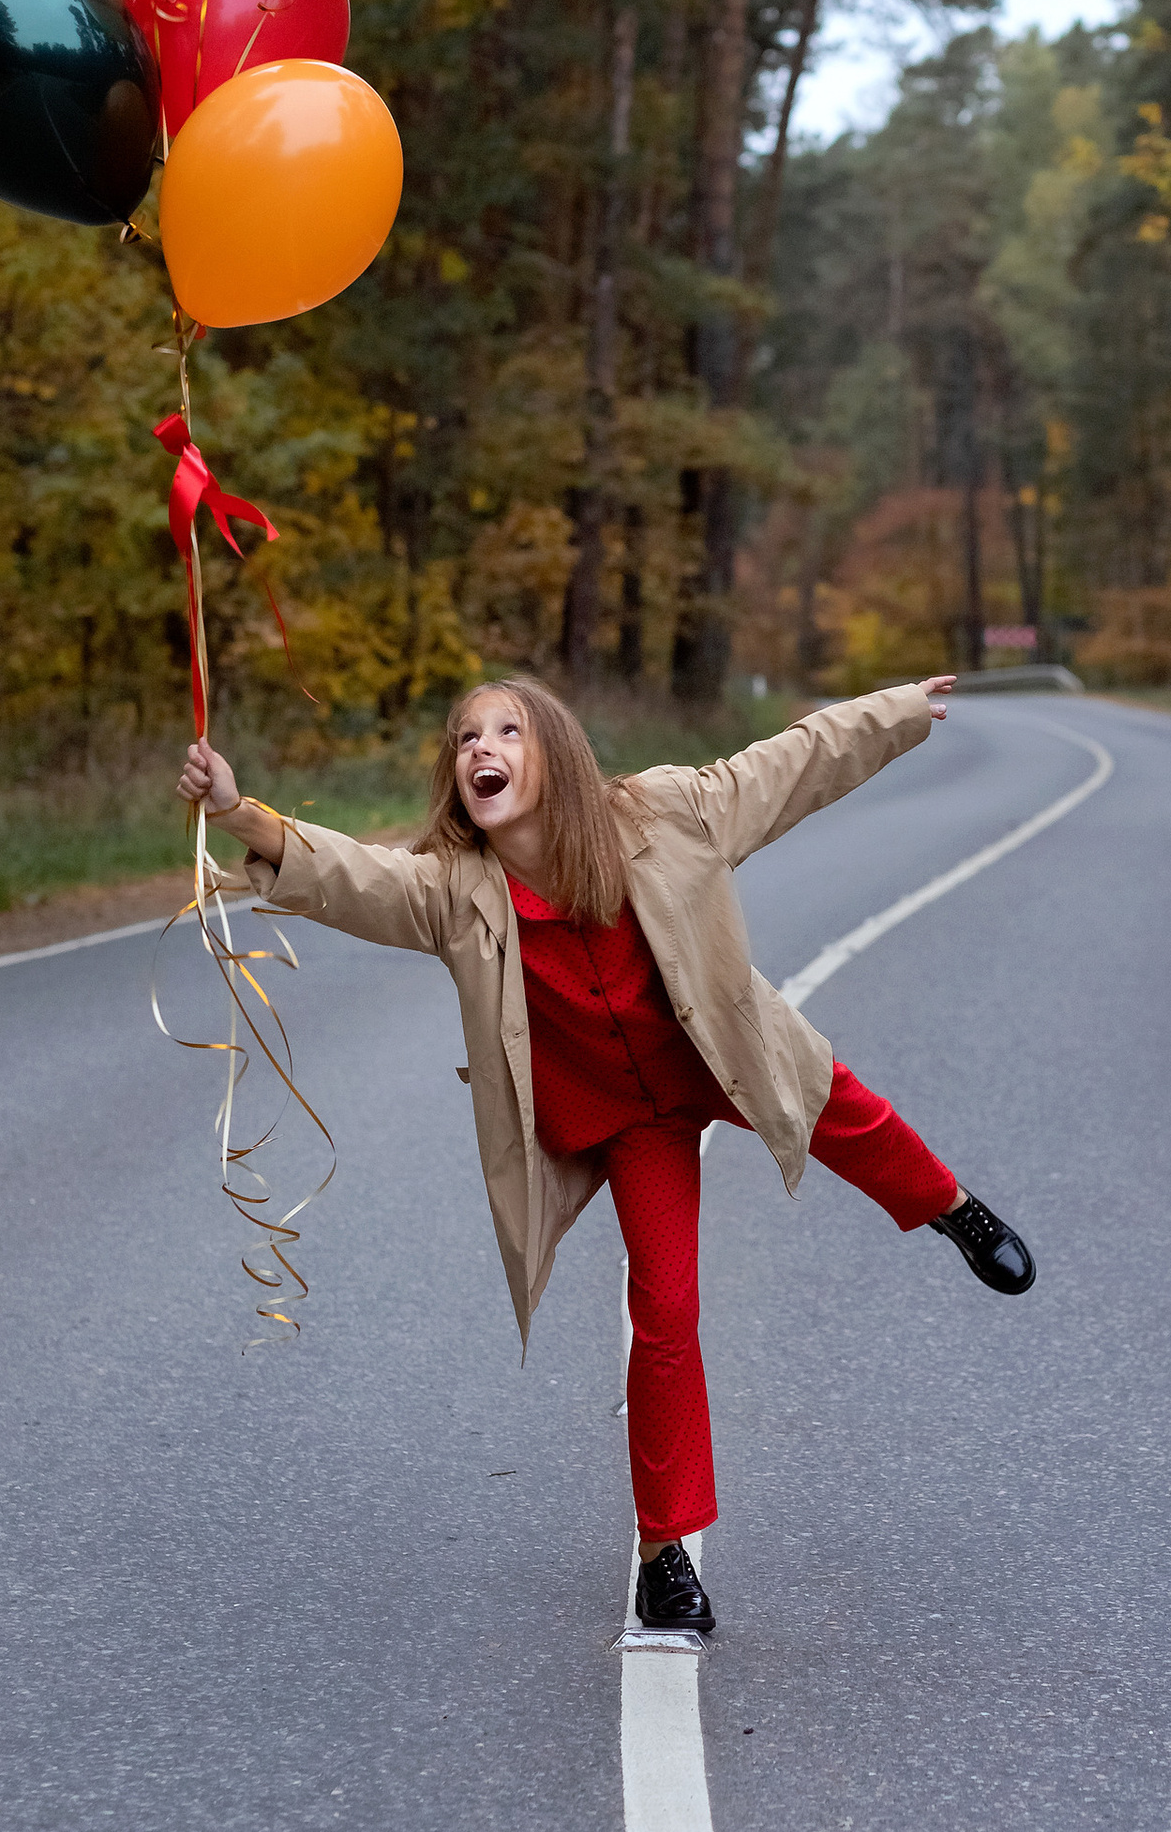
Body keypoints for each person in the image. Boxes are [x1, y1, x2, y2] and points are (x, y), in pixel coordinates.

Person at [178, 678, 1035, 1638]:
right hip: (630, 1119)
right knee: (664, 1314)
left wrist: (898, 711)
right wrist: (236, 810)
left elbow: (791, 766)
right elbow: (349, 875)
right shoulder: (454, 890)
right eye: (466, 738)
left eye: (507, 730)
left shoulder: (664, 814)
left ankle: (954, 1210)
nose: (480, 748)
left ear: (557, 753)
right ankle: (665, 1558)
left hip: (721, 1048)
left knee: (846, 1110)